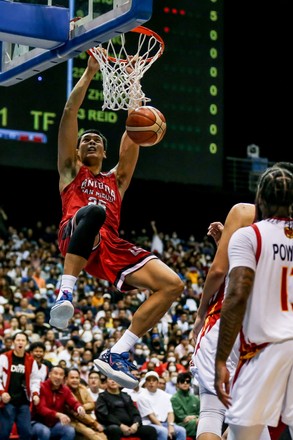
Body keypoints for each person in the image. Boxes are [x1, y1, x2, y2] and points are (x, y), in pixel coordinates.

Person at [49, 50, 184, 389]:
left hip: (109, 246)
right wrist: (91, 71)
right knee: (94, 212)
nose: (90, 141)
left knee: (173, 285)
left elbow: (133, 133)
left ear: (105, 153)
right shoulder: (70, 172)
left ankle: (118, 353)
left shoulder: (116, 181)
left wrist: (135, 83)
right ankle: (65, 293)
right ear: (77, 152)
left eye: (97, 141)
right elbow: (69, 112)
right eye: (85, 141)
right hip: (75, 232)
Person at [192, 163, 293, 440]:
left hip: (242, 329)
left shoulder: (248, 228)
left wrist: (201, 315)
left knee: (213, 410)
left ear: (260, 196)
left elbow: (227, 282)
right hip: (281, 337)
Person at [0, 331, 41, 440]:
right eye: (18, 340)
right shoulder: (4, 358)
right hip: (8, 402)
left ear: (26, 343)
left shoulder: (31, 361)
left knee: (27, 433)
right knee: (3, 434)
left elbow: (35, 380)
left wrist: (35, 393)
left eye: (23, 340)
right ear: (13, 342)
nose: (20, 342)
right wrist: (2, 392)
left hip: (23, 403)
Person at [31, 365, 86, 440]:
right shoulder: (42, 387)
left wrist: (79, 407)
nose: (58, 377)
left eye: (61, 375)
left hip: (54, 424)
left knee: (69, 431)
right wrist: (58, 415)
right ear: (49, 374)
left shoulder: (65, 389)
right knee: (45, 432)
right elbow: (41, 409)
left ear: (63, 377)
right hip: (37, 422)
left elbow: (73, 402)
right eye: (55, 373)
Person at [136, 370, 187, 440]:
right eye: (148, 380)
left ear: (157, 383)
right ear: (145, 383)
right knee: (163, 431)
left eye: (154, 380)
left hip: (165, 422)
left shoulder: (165, 395)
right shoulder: (141, 396)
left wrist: (171, 425)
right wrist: (165, 428)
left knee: (181, 430)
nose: (151, 382)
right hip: (149, 424)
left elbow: (170, 412)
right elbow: (151, 416)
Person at [65, 368, 107, 440]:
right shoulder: (65, 391)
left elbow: (92, 404)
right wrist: (95, 424)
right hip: (73, 421)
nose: (75, 380)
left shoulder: (82, 388)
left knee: (103, 436)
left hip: (88, 418)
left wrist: (81, 407)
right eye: (72, 378)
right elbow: (77, 414)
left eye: (77, 378)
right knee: (91, 434)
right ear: (66, 379)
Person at [171, 372, 200, 438]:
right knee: (199, 422)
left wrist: (193, 417)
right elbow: (181, 417)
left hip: (196, 421)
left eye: (187, 381)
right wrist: (195, 418)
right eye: (182, 381)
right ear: (178, 384)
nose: (185, 383)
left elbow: (200, 413)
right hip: (181, 424)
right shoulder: (174, 398)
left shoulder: (195, 398)